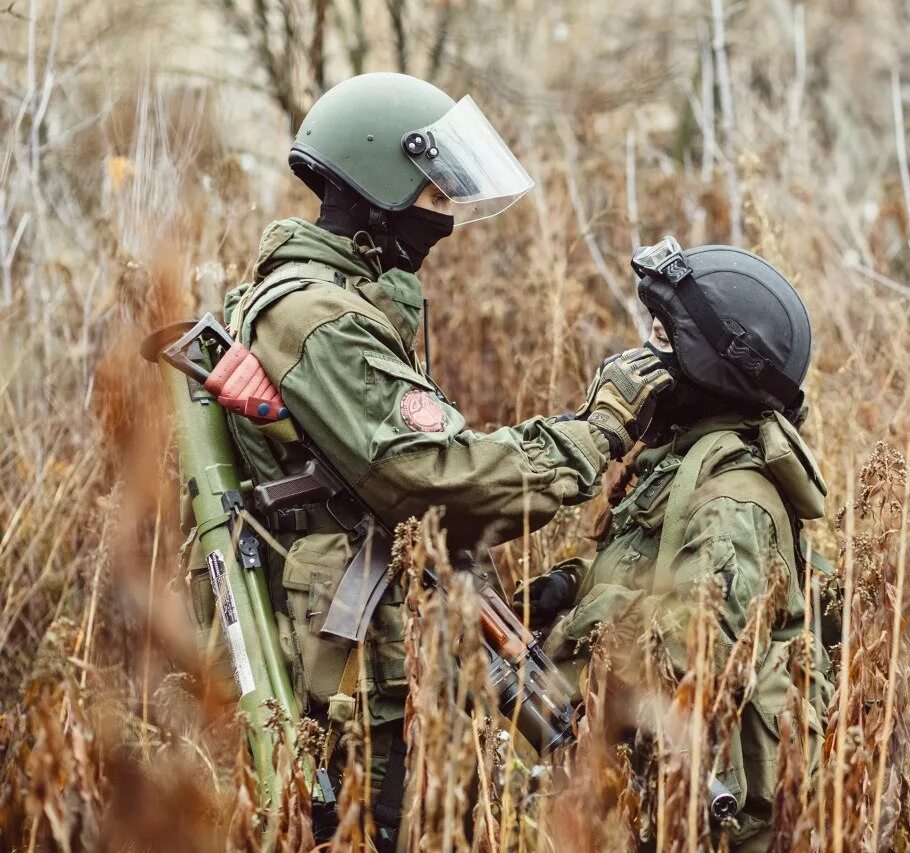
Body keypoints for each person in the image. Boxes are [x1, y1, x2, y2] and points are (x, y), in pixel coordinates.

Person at [215, 72, 672, 846]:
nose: (448, 213)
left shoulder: (335, 299)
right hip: (357, 686)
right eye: (435, 192)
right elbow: (432, 477)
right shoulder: (320, 316)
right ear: (379, 182)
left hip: (376, 666)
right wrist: (596, 431)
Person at [526, 237, 834, 851]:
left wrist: (574, 628)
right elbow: (657, 567)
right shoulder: (684, 462)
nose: (644, 354)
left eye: (664, 340)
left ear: (709, 368)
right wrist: (574, 581)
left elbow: (688, 660)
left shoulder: (732, 502)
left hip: (704, 821)